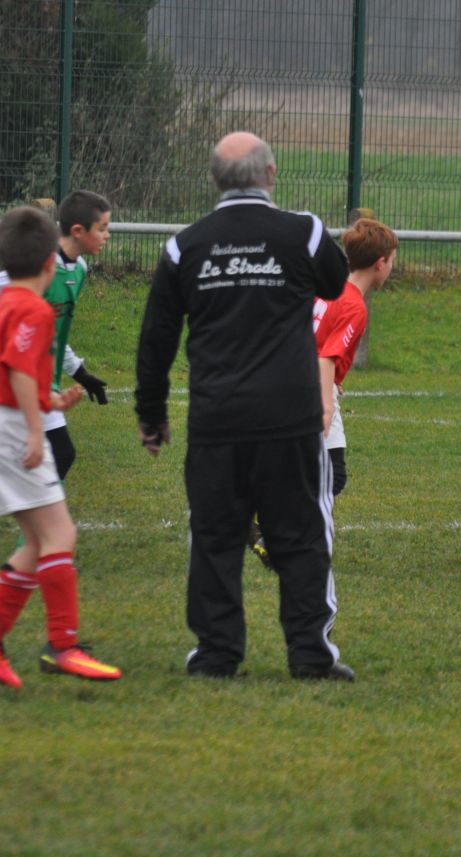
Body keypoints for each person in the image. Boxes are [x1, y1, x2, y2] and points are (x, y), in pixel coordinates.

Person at [134, 131, 353, 681]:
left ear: (214, 180)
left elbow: (157, 337)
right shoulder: (303, 232)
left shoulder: (185, 246)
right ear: (271, 175)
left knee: (215, 539)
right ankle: (311, 655)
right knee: (302, 537)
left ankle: (216, 655)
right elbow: (335, 283)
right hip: (290, 420)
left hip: (217, 420)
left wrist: (151, 413)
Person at [0, 205, 122, 688]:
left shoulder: (7, 300)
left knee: (37, 542)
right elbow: (19, 371)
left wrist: (52, 400)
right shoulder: (33, 309)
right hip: (10, 428)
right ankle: (62, 646)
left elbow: (11, 367)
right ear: (51, 260)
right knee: (59, 536)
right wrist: (34, 428)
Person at [0, 190, 113, 561]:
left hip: (46, 381)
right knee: (58, 453)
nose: (107, 235)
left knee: (37, 459)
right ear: (78, 231)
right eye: (102, 228)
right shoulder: (41, 265)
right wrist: (3, 341)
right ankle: (34, 547)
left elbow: (54, 331)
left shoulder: (78, 270)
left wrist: (79, 371)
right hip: (24, 378)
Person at [251, 217, 398, 573]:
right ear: (380, 263)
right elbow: (327, 356)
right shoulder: (354, 306)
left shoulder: (326, 289)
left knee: (321, 470)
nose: (392, 266)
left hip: (292, 376)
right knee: (327, 474)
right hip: (309, 387)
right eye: (393, 260)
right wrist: (326, 404)